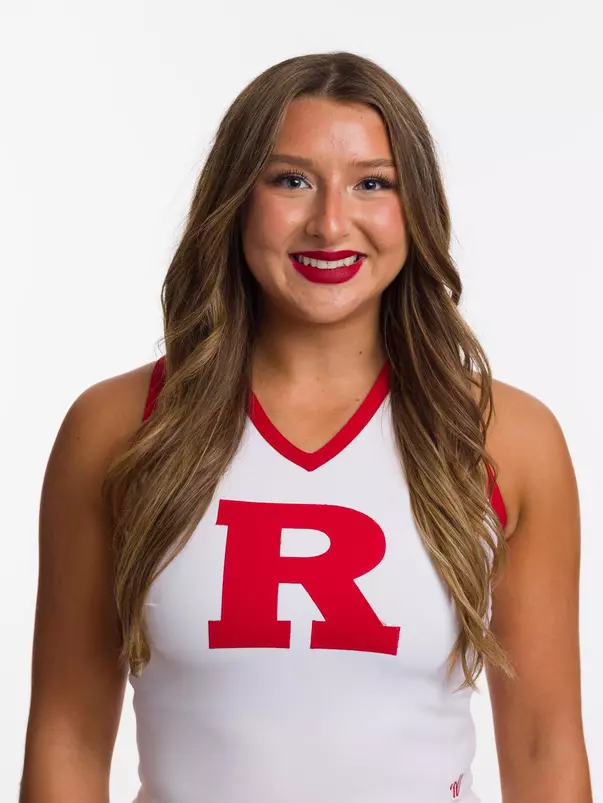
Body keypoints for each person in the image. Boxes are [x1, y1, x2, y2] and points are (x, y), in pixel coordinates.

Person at [20, 51, 592, 803]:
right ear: (236, 198)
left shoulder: (502, 436)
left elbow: (542, 742)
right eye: (290, 180)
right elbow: (67, 731)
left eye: (372, 183)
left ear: (412, 207)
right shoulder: (121, 427)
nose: (329, 222)